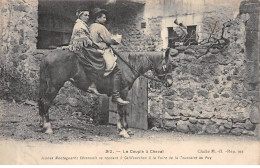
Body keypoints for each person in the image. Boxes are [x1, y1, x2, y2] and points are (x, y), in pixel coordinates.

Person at [89, 8, 129, 105]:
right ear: (97, 18)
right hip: (102, 51)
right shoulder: (100, 27)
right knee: (117, 70)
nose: (105, 19)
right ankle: (116, 96)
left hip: (93, 51)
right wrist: (117, 39)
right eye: (103, 17)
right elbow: (109, 40)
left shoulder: (91, 26)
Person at [69, 7, 103, 95]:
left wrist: (95, 45)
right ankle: (92, 84)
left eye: (88, 15)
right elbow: (84, 40)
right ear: (80, 16)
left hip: (83, 46)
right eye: (85, 15)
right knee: (96, 61)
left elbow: (87, 39)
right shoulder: (79, 25)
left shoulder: (83, 24)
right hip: (80, 47)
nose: (87, 17)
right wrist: (96, 47)